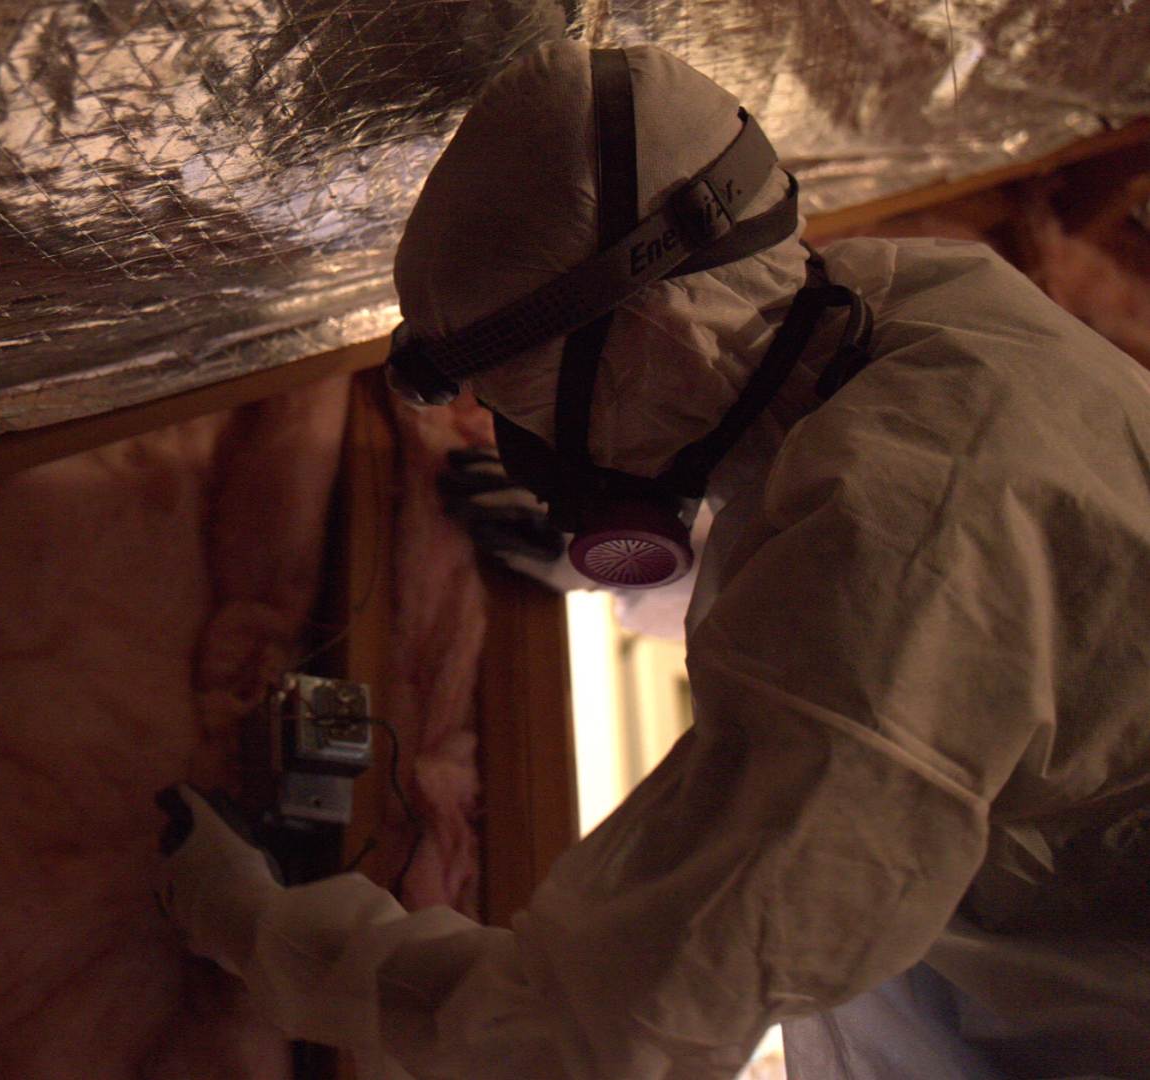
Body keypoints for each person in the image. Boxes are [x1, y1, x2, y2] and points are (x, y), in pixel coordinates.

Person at [155, 39, 1150, 1079]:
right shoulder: (916, 305)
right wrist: (673, 576)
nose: (530, 455)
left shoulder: (905, 533)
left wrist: (258, 926)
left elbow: (600, 1035)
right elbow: (995, 660)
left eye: (525, 413)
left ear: (654, 331)